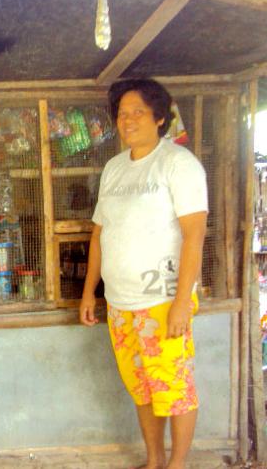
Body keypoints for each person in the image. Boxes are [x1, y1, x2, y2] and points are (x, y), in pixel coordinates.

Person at [79, 78, 208, 469]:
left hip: (163, 301)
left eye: (138, 112)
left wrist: (182, 302)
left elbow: (194, 235)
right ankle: (154, 461)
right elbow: (99, 235)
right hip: (121, 303)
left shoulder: (178, 164)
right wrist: (90, 292)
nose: (128, 120)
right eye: (122, 113)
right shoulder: (115, 169)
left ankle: (177, 465)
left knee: (174, 388)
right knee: (142, 388)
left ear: (159, 118)